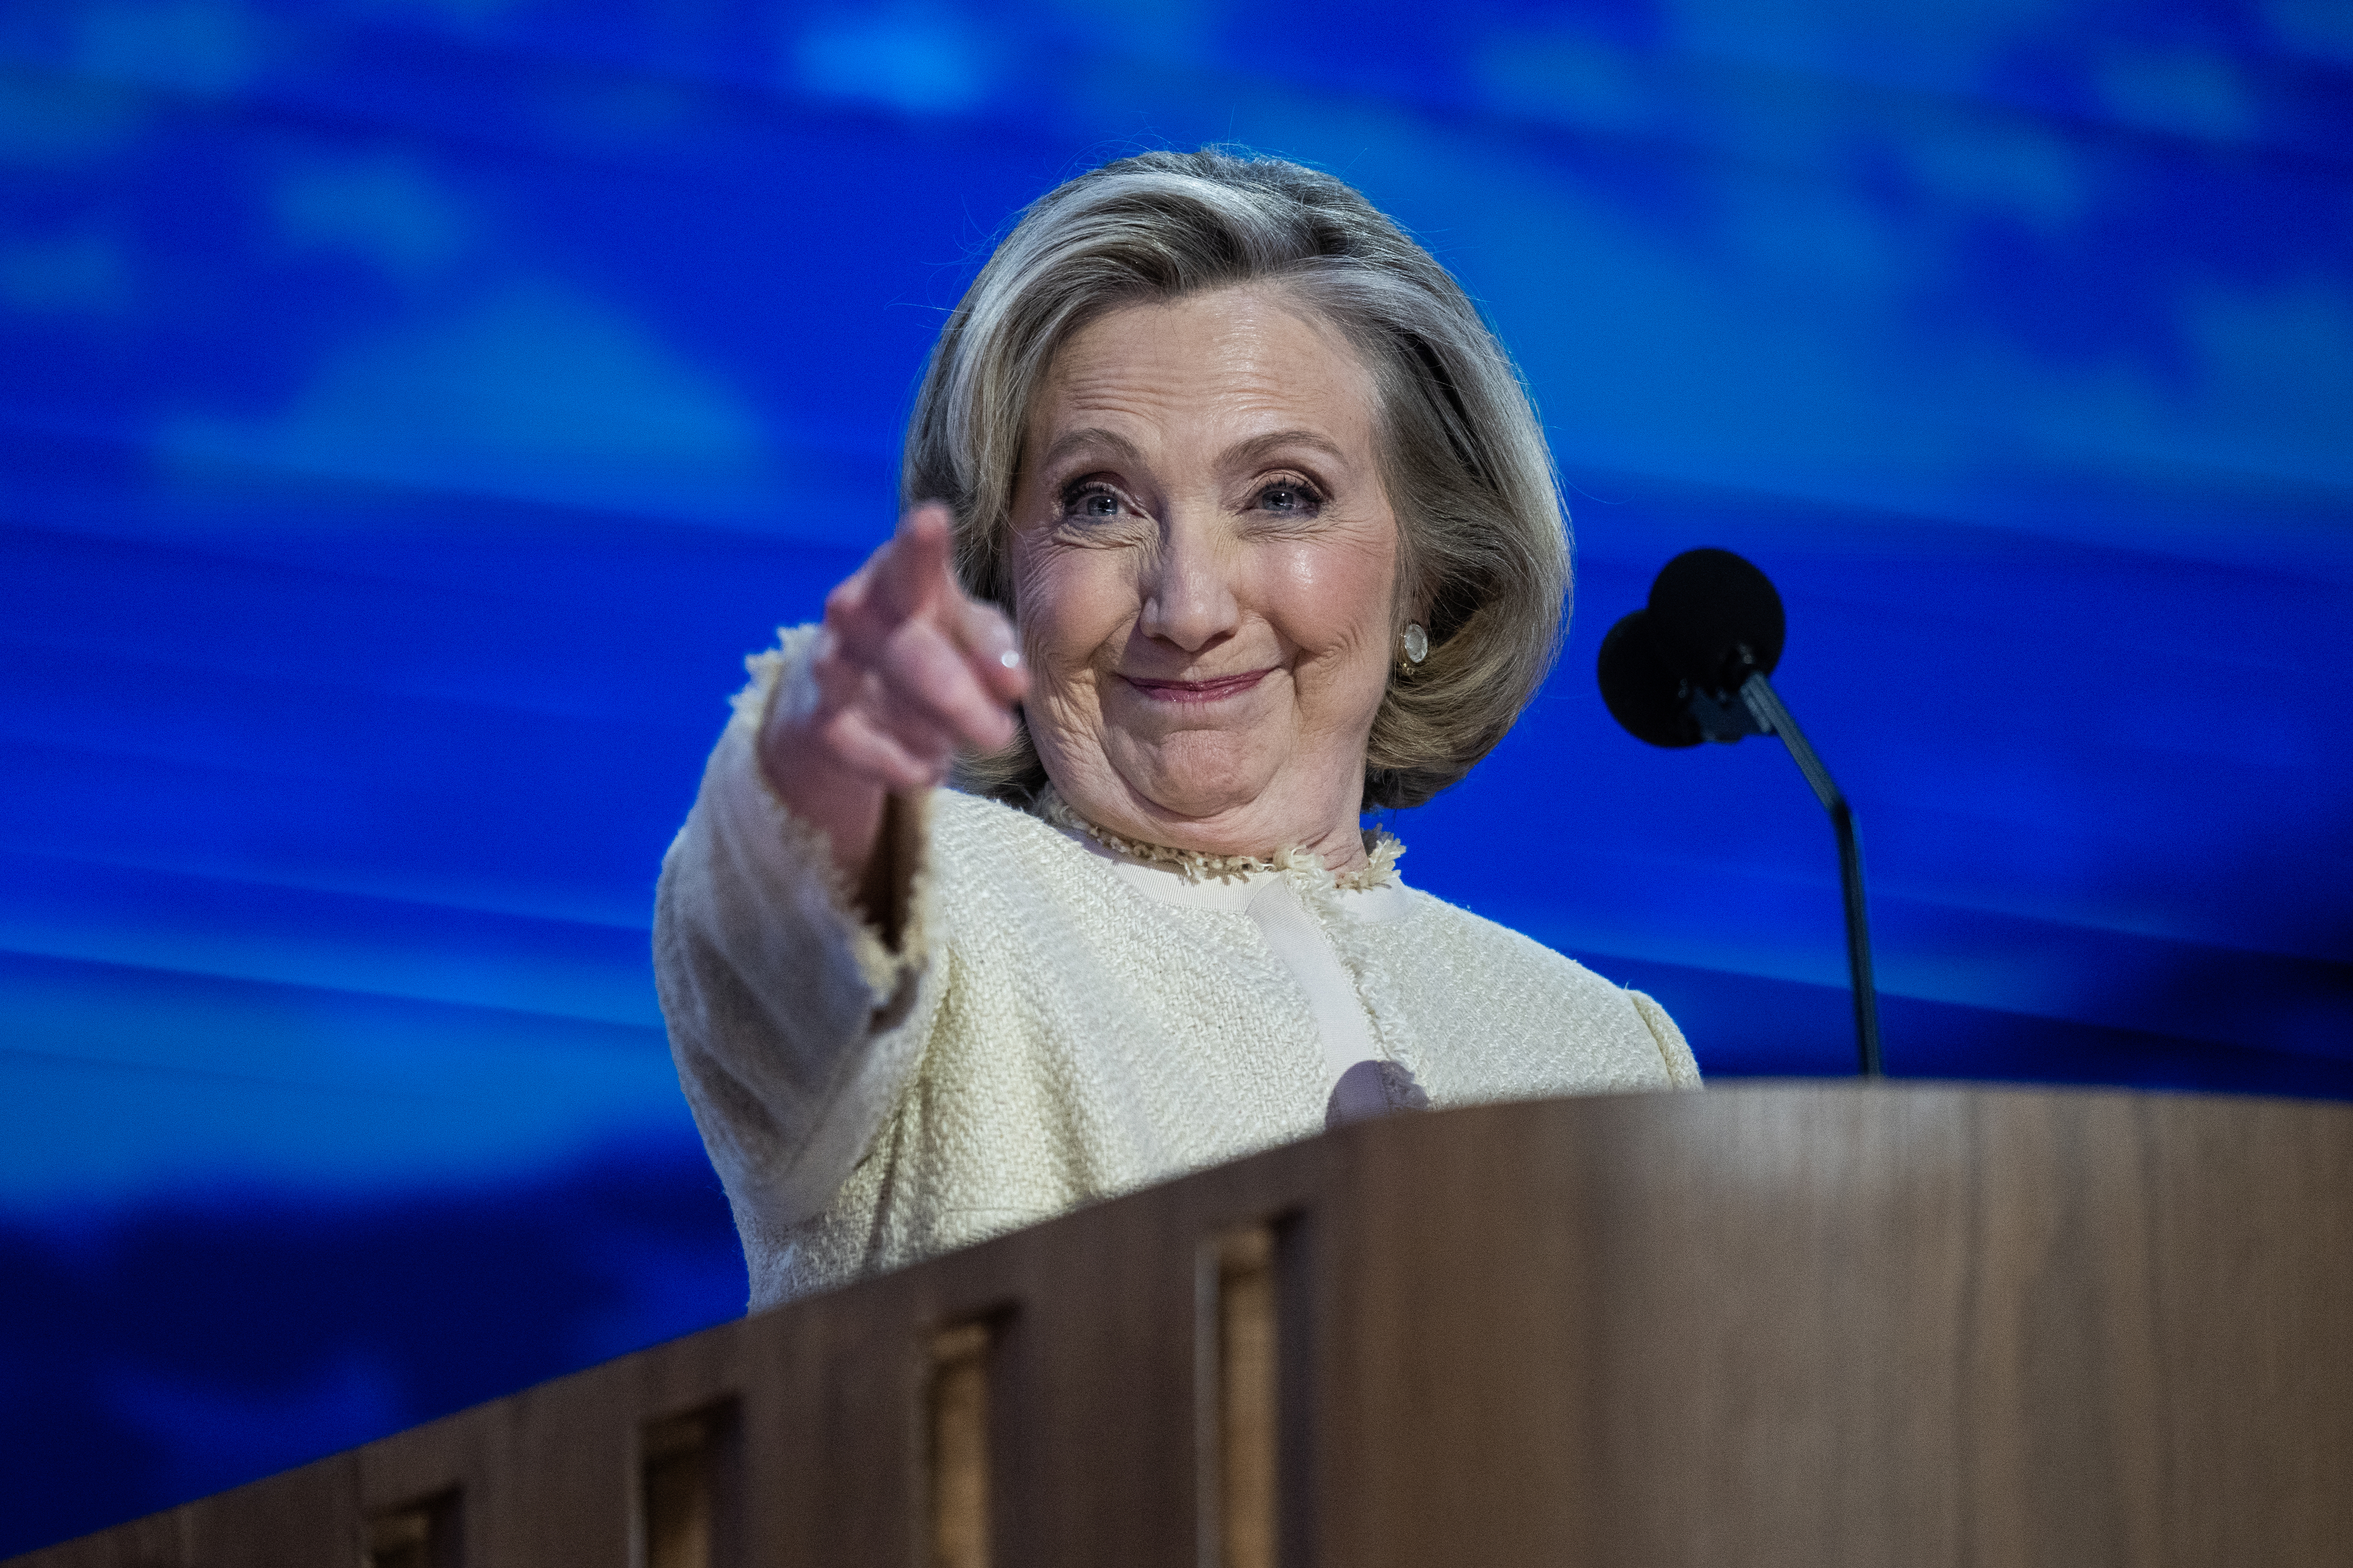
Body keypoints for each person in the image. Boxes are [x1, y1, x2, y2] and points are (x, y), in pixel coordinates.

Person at [654, 148, 1699, 1312]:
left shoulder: (1605, 1049)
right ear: (1001, 580)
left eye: (1282, 495)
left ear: (1429, 574)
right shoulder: (927, 912)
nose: (1188, 605)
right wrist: (814, 779)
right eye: (1096, 501)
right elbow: (778, 948)